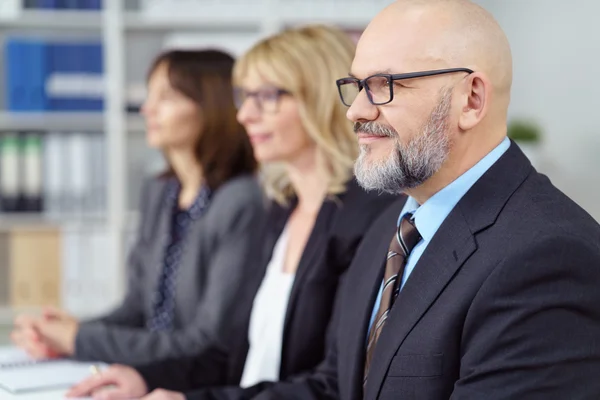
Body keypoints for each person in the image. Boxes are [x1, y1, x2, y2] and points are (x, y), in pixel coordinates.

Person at [66, 24, 397, 400]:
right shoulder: (280, 212)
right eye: (245, 97)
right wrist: (145, 378)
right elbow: (231, 352)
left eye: (267, 97)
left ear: (318, 98)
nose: (245, 116)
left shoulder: (367, 219)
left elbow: (334, 383)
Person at [10, 49, 267, 366]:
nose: (148, 109)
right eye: (149, 96)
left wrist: (78, 339)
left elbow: (210, 342)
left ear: (212, 107)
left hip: (194, 383)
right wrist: (62, 334)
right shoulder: (160, 192)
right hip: (146, 372)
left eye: (167, 97)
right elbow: (137, 308)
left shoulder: (240, 202)